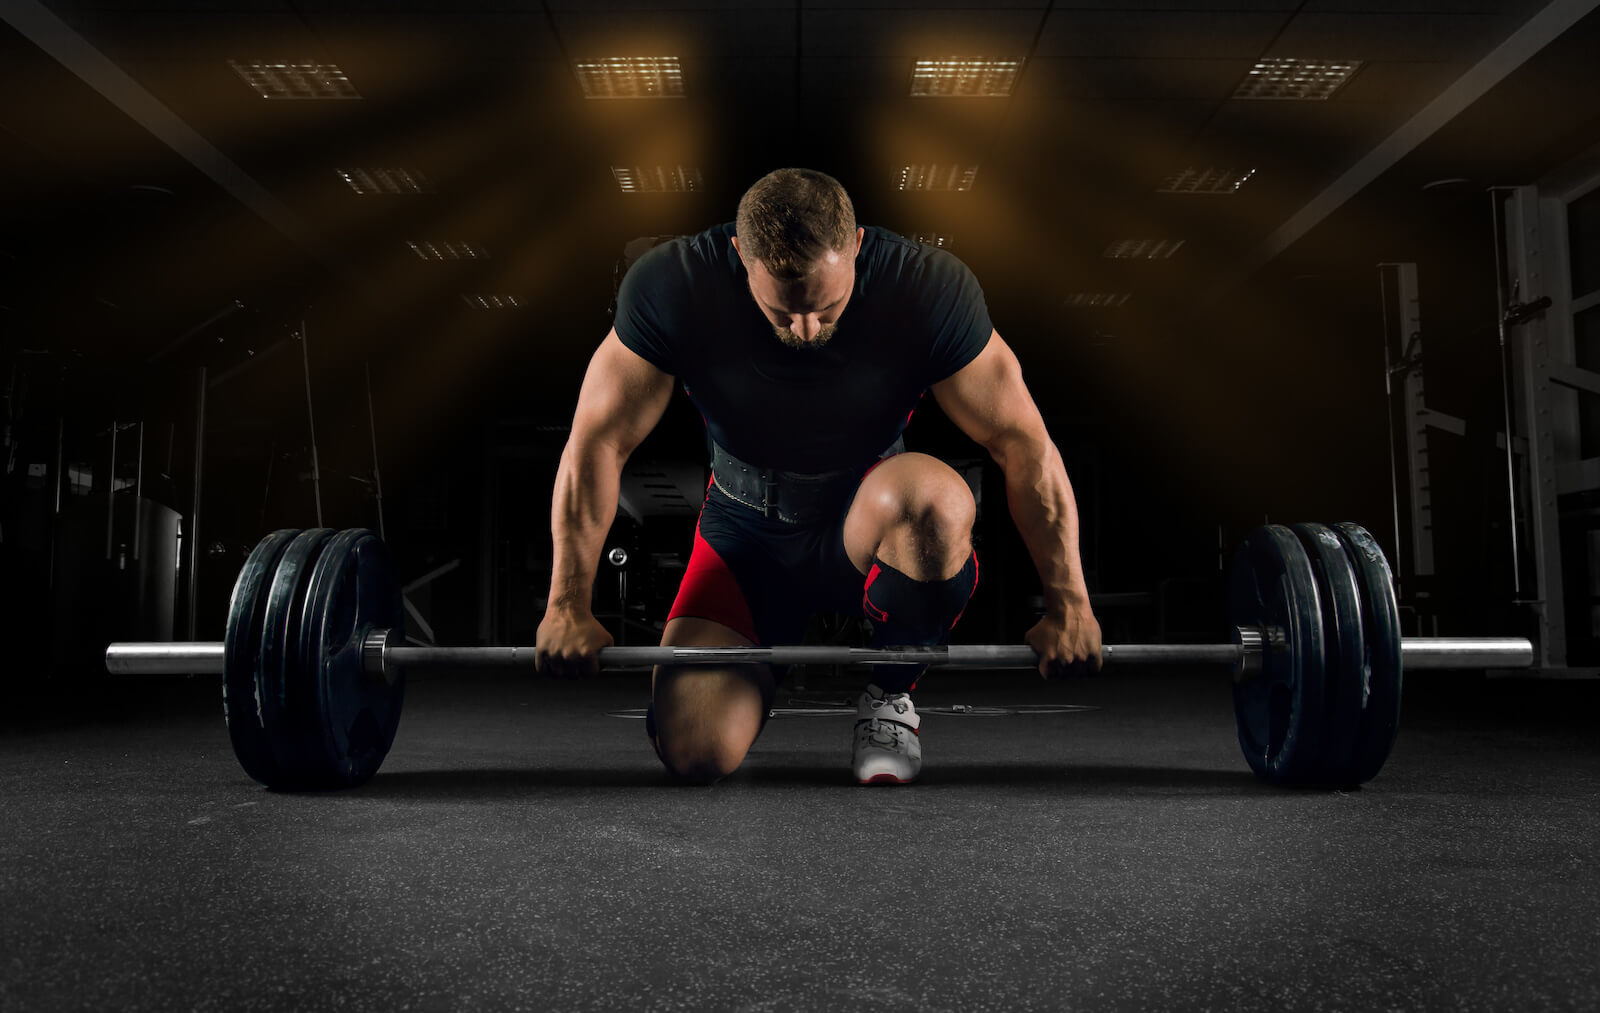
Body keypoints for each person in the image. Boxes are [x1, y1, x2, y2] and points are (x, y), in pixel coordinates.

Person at [534, 167, 1102, 785]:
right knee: (696, 752)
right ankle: (744, 681)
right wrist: (567, 602)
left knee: (935, 502)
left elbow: (1022, 444)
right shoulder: (675, 284)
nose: (805, 330)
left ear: (857, 244)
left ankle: (889, 699)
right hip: (744, 536)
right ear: (739, 258)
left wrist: (1069, 602)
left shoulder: (924, 287)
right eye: (783, 313)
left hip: (866, 523)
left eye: (826, 306)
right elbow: (598, 442)